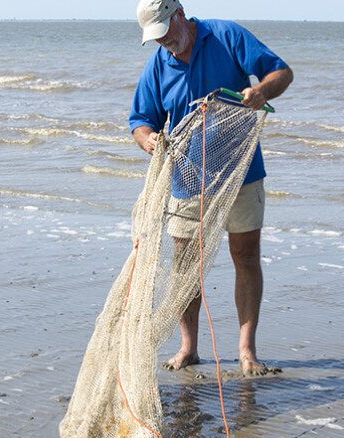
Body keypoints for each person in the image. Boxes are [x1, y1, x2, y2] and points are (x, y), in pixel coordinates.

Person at [129, 0, 293, 376]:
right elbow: (140, 119)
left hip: (242, 172)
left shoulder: (227, 36)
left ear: (180, 14)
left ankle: (247, 351)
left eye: (166, 32)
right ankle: (188, 348)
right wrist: (148, 139)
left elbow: (282, 72)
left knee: (246, 256)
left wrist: (262, 92)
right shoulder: (159, 63)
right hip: (188, 179)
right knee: (186, 266)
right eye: (155, 38)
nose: (164, 42)